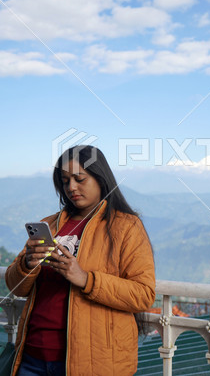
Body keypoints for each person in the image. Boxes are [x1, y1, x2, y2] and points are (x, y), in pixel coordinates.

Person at [5, 145, 156, 376]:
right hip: (33, 355)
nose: (71, 187)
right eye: (65, 181)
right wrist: (27, 265)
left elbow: (143, 295)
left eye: (79, 178)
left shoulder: (126, 227)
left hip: (91, 362)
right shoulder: (50, 224)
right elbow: (16, 286)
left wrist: (86, 279)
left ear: (100, 178)